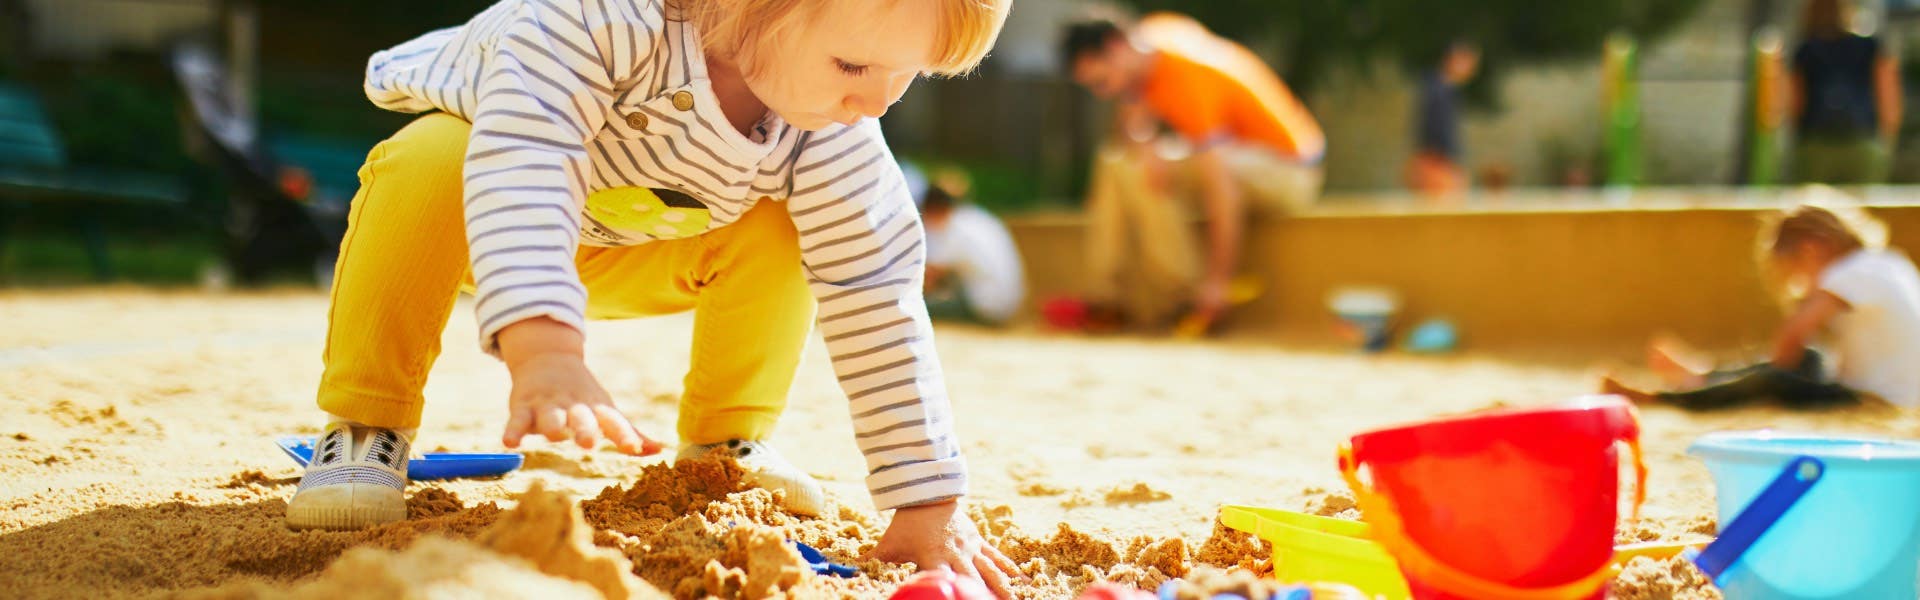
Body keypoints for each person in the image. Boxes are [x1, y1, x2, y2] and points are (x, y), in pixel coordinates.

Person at [285, 0, 1022, 591]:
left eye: (909, 76)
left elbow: (875, 287)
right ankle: (365, 423)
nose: (875, 103)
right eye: (854, 64)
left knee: (795, 223)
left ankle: (725, 441)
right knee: (428, 156)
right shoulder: (591, 21)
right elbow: (526, 163)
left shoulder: (830, 128)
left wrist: (927, 499)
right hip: (490, 223)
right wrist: (544, 344)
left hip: (649, 250)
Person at [1061, 14, 1325, 333]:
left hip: (1288, 173)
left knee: (1136, 170)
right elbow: (1132, 114)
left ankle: (1186, 297)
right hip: (1251, 158)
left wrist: (1218, 280)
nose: (1102, 93)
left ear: (1116, 46)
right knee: (1118, 162)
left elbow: (1222, 189)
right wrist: (1146, 144)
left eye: (1100, 82)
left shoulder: (1186, 77)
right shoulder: (1151, 39)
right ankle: (1109, 297)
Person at [1603, 201, 1920, 410]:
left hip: (1880, 399)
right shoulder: (1885, 261)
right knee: (1807, 359)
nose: (1803, 287)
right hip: (1897, 391)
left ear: (1811, 250)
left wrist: (1764, 374)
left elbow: (1791, 335)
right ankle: (1704, 376)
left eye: (1796, 274)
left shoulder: (1848, 272)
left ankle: (1666, 397)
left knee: (1773, 378)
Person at [1788, 0, 1902, 184]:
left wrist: (1798, 138)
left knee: (1815, 207)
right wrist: (1887, 138)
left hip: (1816, 143)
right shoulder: (1870, 46)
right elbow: (1887, 95)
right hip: (1862, 139)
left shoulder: (1805, 50)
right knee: (1865, 206)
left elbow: (1796, 101)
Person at [921, 184, 1025, 325]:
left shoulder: (954, 226)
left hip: (986, 307)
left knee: (922, 309)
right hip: (1011, 305)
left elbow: (930, 274)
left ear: (932, 210)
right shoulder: (980, 217)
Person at [1407, 41, 1479, 198]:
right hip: (1437, 165)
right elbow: (1437, 132)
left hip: (1435, 163)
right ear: (1454, 60)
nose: (1471, 70)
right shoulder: (1440, 90)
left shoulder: (1438, 88)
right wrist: (1451, 167)